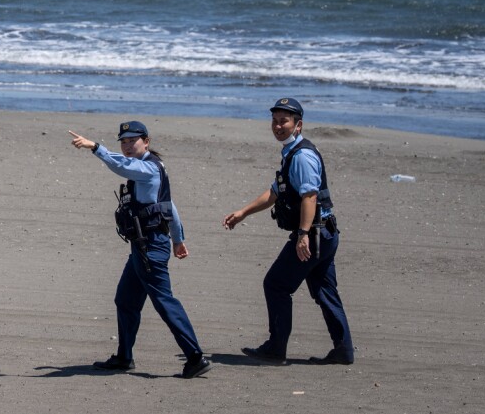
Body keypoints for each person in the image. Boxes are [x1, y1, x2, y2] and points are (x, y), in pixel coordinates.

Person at [70, 121, 213, 379]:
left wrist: (96, 147)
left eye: (132, 140)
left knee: (164, 301)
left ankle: (195, 356)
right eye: (123, 141)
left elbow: (122, 165)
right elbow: (169, 206)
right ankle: (124, 357)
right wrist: (178, 239)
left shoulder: (146, 168)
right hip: (142, 246)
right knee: (125, 300)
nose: (126, 145)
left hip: (150, 246)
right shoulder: (151, 169)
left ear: (146, 141)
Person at [222, 97, 355, 365]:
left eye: (284, 120)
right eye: (274, 120)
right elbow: (274, 192)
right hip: (325, 234)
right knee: (324, 291)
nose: (277, 125)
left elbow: (309, 197)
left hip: (315, 234)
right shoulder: (292, 153)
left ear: (298, 124)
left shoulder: (302, 156)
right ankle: (343, 349)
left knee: (276, 285)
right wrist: (243, 212)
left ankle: (276, 348)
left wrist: (303, 235)